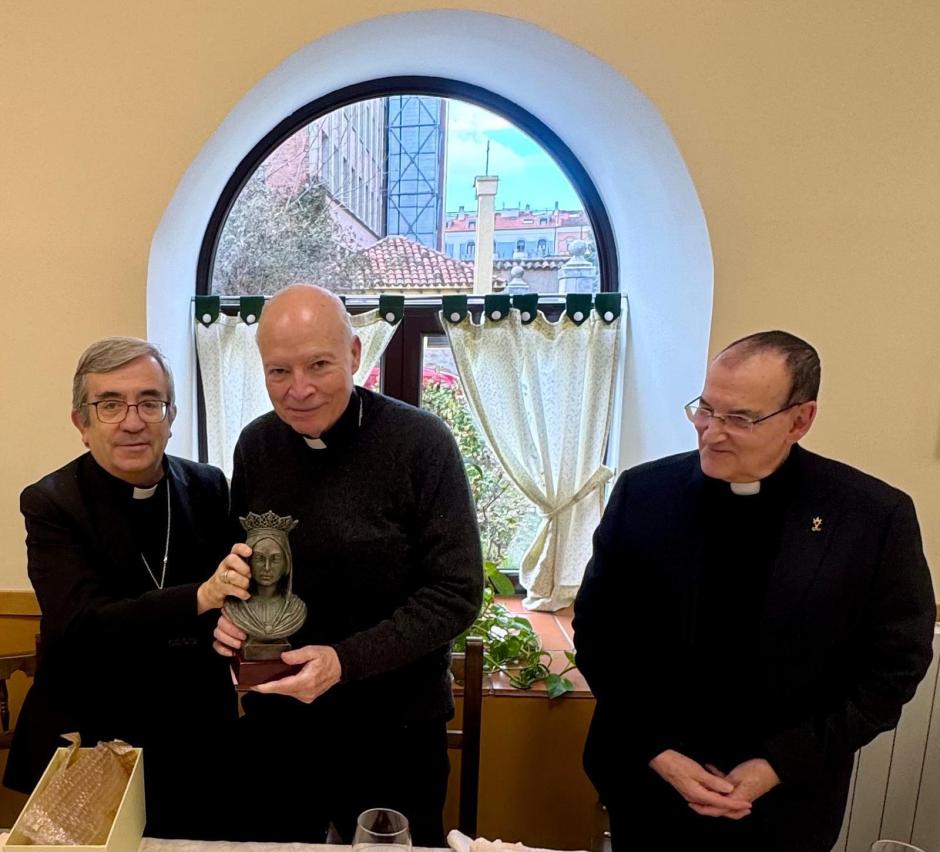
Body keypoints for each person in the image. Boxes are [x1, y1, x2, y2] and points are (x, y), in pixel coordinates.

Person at [573, 330, 935, 852]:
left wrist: (778, 764)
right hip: (649, 781)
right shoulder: (644, 494)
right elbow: (601, 635)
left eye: (739, 418)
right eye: (705, 409)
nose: (711, 433)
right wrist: (656, 749)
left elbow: (893, 667)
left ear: (800, 419)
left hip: (787, 800)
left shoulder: (871, 516)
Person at [212, 284, 483, 846]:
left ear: (356, 355)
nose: (299, 390)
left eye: (319, 365)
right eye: (278, 372)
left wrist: (343, 661)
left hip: (396, 729)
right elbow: (252, 567)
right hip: (281, 725)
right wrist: (231, 613)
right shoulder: (256, 446)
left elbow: (456, 592)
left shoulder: (421, 443)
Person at [4, 337, 249, 839]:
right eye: (110, 404)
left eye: (149, 402)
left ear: (171, 414)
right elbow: (81, 624)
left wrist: (239, 622)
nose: (133, 420)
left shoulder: (207, 486)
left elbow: (238, 592)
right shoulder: (53, 503)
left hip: (197, 738)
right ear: (81, 423)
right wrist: (199, 597)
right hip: (92, 734)